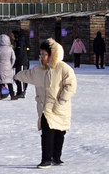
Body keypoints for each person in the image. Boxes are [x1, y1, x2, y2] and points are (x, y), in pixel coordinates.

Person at [30, 37, 77, 167]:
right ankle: (46, 159)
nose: (42, 57)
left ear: (52, 55)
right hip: (46, 107)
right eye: (41, 54)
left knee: (59, 132)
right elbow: (29, 75)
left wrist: (62, 99)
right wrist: (16, 76)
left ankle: (56, 157)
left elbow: (71, 85)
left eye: (44, 54)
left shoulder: (63, 68)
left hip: (60, 106)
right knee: (47, 132)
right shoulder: (39, 69)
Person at [0, 32, 16, 106]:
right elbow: (13, 58)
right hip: (8, 66)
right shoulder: (10, 49)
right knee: (9, 82)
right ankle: (12, 95)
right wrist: (11, 65)